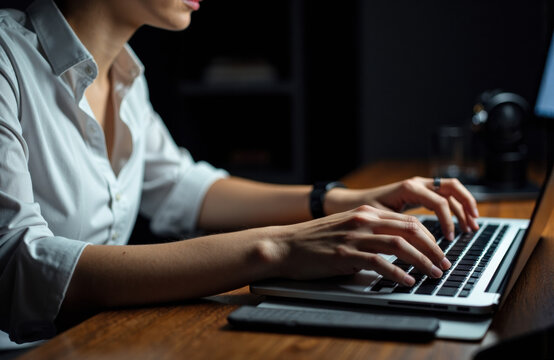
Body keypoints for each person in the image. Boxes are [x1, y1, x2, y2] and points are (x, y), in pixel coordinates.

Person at [0, 0, 480, 345]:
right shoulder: (6, 58)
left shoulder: (125, 75)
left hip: (96, 342)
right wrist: (279, 247)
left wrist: (339, 200)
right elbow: (20, 265)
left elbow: (184, 187)